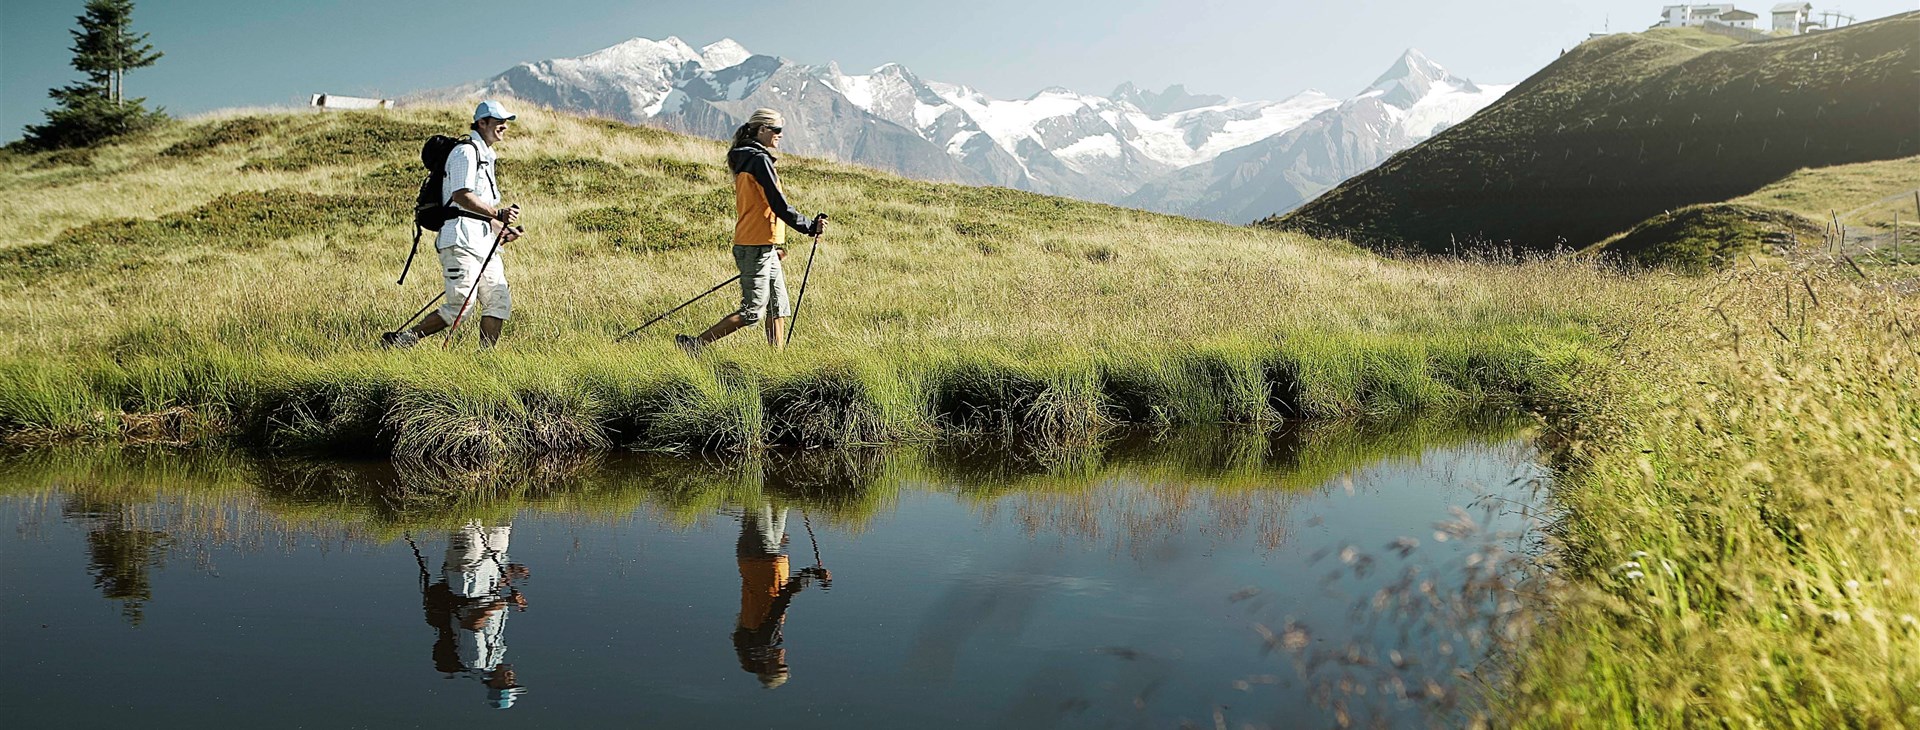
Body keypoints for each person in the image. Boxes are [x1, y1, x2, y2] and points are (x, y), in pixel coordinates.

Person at [678, 108, 827, 355]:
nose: (780, 135)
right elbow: (777, 205)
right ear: (762, 130)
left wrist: (774, 245)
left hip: (762, 245)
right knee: (753, 312)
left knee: (778, 307)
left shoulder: (751, 158)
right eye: (777, 130)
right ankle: (695, 346)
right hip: (754, 246)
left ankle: (775, 362)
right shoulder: (758, 160)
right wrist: (809, 226)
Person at [383, 100, 524, 349]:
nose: (504, 126)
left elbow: (477, 210)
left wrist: (501, 229)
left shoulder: (486, 155)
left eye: (506, 121)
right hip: (459, 240)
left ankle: (486, 360)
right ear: (482, 123)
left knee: (498, 300)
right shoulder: (466, 152)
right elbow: (461, 196)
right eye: (498, 121)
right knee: (461, 305)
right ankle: (403, 341)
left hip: (483, 242)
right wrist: (497, 213)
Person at [420, 520, 530, 709]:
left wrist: (505, 602)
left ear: (495, 685)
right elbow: (490, 600)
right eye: (512, 683)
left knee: (467, 528)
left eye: (508, 684)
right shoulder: (497, 655)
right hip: (487, 576)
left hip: (466, 578)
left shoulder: (476, 662)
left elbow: (471, 622)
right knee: (501, 527)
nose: (512, 678)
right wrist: (510, 574)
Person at [731, 501, 829, 688]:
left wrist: (813, 573)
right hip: (764, 554)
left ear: (769, 666)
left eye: (781, 665)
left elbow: (783, 597)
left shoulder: (765, 638)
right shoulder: (754, 638)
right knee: (782, 501)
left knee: (762, 499)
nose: (784, 658)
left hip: (760, 555)